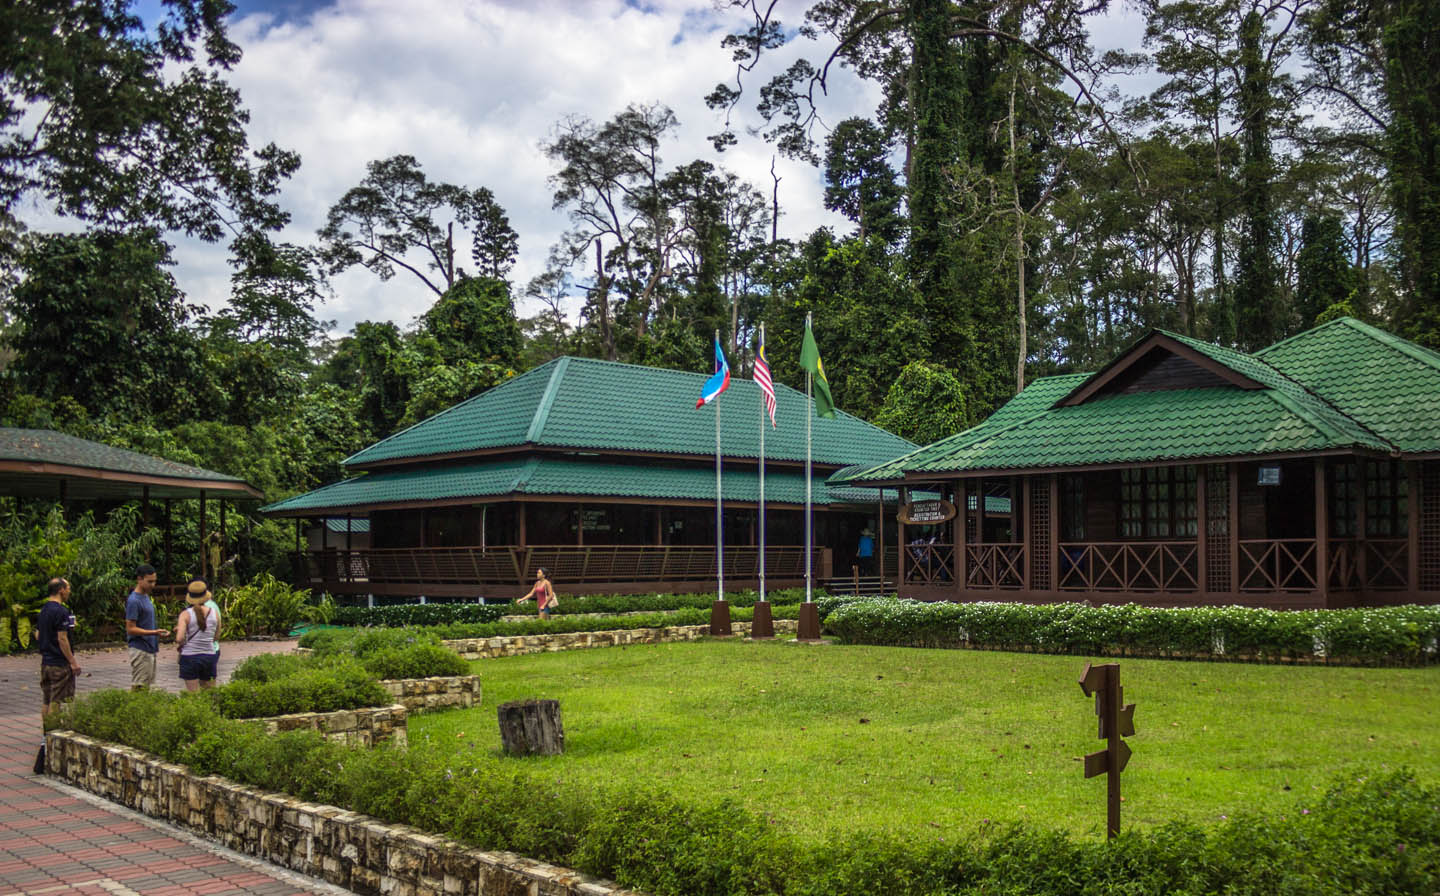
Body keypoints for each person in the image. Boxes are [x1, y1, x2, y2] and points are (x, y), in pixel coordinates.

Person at [37, 577, 80, 721]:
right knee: (57, 702)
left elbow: (38, 634)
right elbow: (62, 639)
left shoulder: (44, 610)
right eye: (68, 589)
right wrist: (73, 662)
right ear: (61, 590)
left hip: (46, 663)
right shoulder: (61, 611)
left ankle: (45, 738)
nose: (69, 592)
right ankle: (52, 736)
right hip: (59, 664)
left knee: (47, 700)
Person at [124, 564, 169, 690]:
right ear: (139, 579)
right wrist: (154, 632)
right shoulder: (134, 600)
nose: (153, 585)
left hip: (150, 648)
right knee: (139, 688)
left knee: (146, 687)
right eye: (149, 581)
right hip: (140, 649)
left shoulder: (145, 596)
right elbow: (130, 628)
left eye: (154, 581)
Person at [175, 579, 220, 690]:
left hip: (189, 657)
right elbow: (216, 637)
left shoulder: (185, 614)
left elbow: (179, 638)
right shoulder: (214, 612)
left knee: (193, 697)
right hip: (209, 656)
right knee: (210, 694)